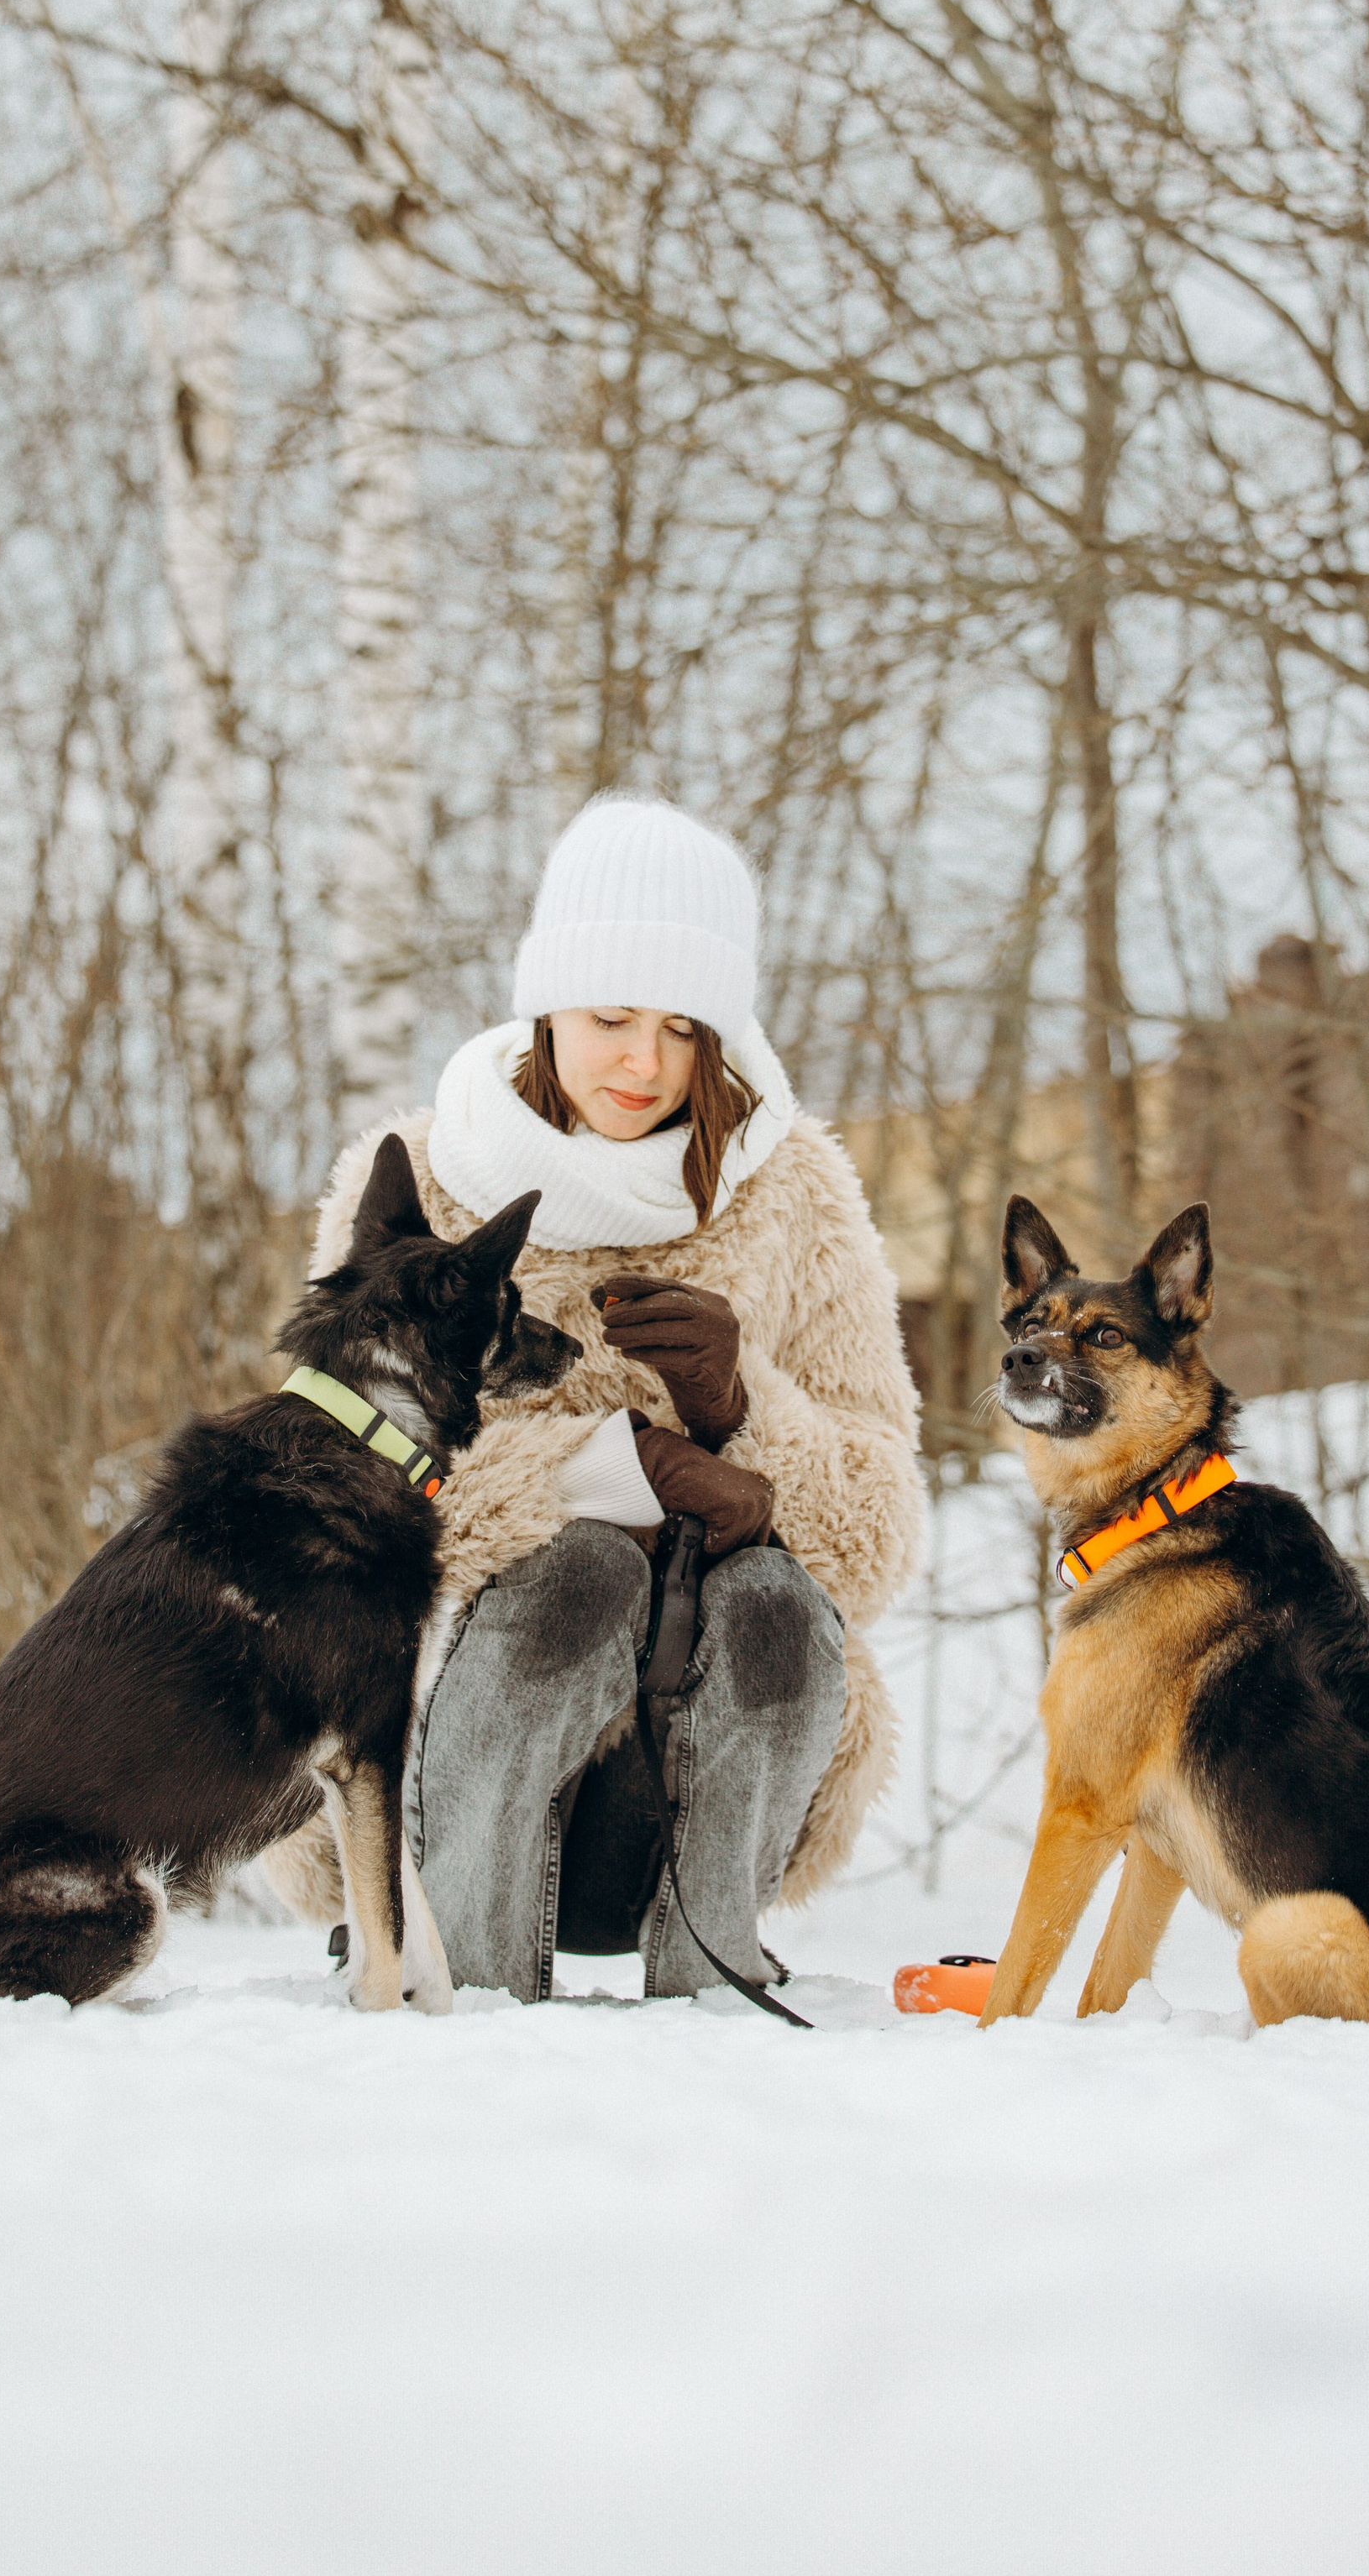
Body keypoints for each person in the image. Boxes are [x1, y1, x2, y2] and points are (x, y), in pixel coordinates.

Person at [270, 796, 925, 2003]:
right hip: (446, 1761)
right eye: (611, 1018)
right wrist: (621, 1466)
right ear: (546, 1007)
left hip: (687, 1774)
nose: (645, 1064)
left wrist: (742, 1410)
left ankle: (717, 1975)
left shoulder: (796, 1191)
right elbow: (334, 1475)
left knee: (778, 1601)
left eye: (683, 1029)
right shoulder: (421, 1178)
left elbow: (879, 1528)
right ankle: (457, 1975)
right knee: (578, 1572)